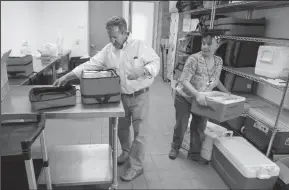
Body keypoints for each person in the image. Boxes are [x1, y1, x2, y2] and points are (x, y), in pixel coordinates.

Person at [53, 16, 160, 181]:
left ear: (125, 33)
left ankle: (137, 166)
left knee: (140, 134)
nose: (112, 40)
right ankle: (126, 152)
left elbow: (155, 62)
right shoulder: (109, 50)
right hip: (120, 97)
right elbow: (90, 64)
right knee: (122, 129)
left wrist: (144, 71)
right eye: (109, 37)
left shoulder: (140, 46)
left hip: (140, 96)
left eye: (115, 37)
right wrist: (67, 77)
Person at [168, 30, 230, 165]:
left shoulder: (218, 61)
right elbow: (183, 80)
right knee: (182, 125)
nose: (205, 47)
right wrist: (197, 94)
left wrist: (227, 93)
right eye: (203, 43)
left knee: (199, 127)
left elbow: (215, 80)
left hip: (202, 99)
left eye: (209, 44)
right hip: (184, 97)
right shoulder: (194, 59)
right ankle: (175, 147)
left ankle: (194, 154)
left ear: (217, 45)